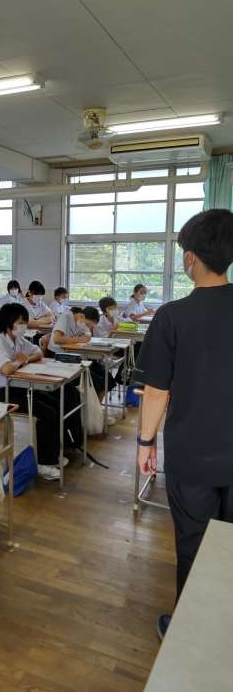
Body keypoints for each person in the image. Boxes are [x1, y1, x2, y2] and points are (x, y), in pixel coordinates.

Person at [136, 209, 233, 641]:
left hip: (192, 455)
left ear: (191, 258)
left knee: (194, 544)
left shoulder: (172, 316)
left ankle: (191, 633)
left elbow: (156, 392)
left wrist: (145, 443)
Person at [0, 303, 81, 481]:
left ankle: (54, 452)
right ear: (8, 323)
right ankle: (44, 463)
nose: (24, 326)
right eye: (20, 322)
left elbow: (38, 352)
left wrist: (25, 359)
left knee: (57, 404)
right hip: (2, 394)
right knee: (47, 413)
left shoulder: (18, 340)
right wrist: (19, 362)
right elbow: (5, 370)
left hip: (19, 387)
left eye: (25, 322)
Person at [49, 306, 117, 402]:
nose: (87, 327)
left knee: (107, 377)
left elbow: (88, 336)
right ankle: (90, 409)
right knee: (95, 380)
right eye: (88, 324)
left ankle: (97, 408)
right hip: (59, 358)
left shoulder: (81, 323)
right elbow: (57, 339)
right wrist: (79, 339)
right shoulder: (66, 317)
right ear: (82, 316)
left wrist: (83, 337)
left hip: (76, 356)